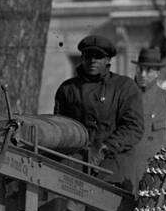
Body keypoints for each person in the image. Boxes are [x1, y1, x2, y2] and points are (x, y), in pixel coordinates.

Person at [54, 34, 144, 188]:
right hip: (75, 165)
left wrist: (105, 148)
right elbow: (61, 126)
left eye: (99, 56)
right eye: (88, 55)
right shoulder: (68, 89)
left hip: (114, 167)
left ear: (108, 60)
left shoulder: (124, 87)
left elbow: (133, 128)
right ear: (82, 57)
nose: (93, 61)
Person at [124, 47, 166, 190]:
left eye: (149, 70)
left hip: (155, 176)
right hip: (127, 173)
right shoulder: (125, 96)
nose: (143, 75)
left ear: (157, 73)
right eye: (140, 69)